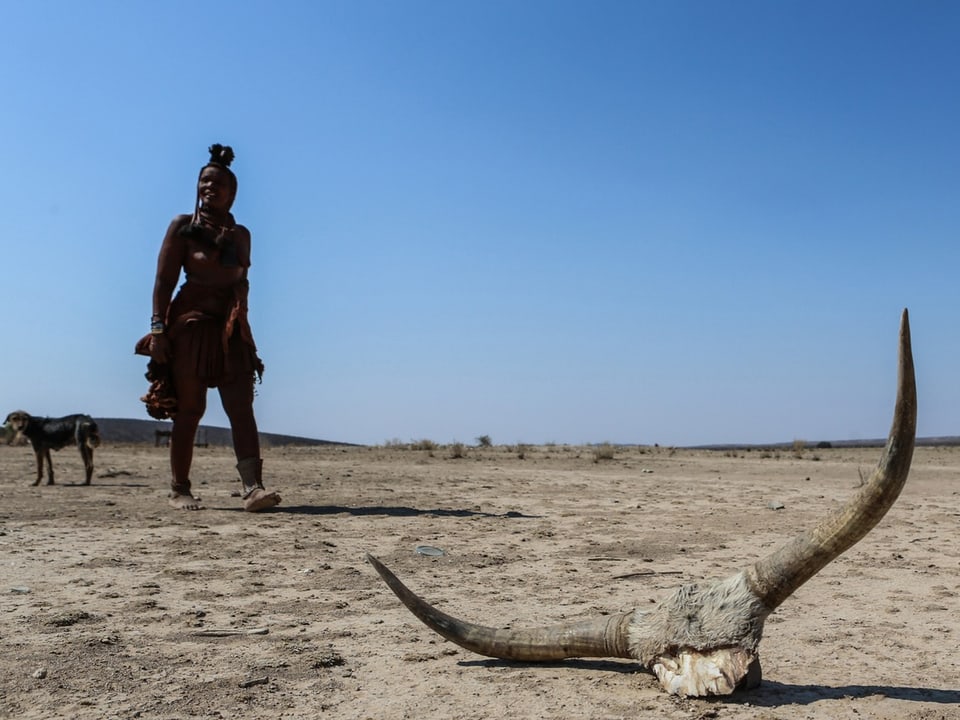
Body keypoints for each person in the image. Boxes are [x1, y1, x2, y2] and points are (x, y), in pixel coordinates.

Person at [135, 144, 280, 512]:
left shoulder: (241, 235)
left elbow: (242, 281)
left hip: (229, 332)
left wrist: (241, 327)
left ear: (233, 193)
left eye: (217, 184)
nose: (209, 188)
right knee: (190, 409)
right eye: (204, 181)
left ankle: (253, 489)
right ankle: (179, 489)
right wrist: (158, 332)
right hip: (190, 328)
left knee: (241, 407)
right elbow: (163, 282)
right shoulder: (182, 228)